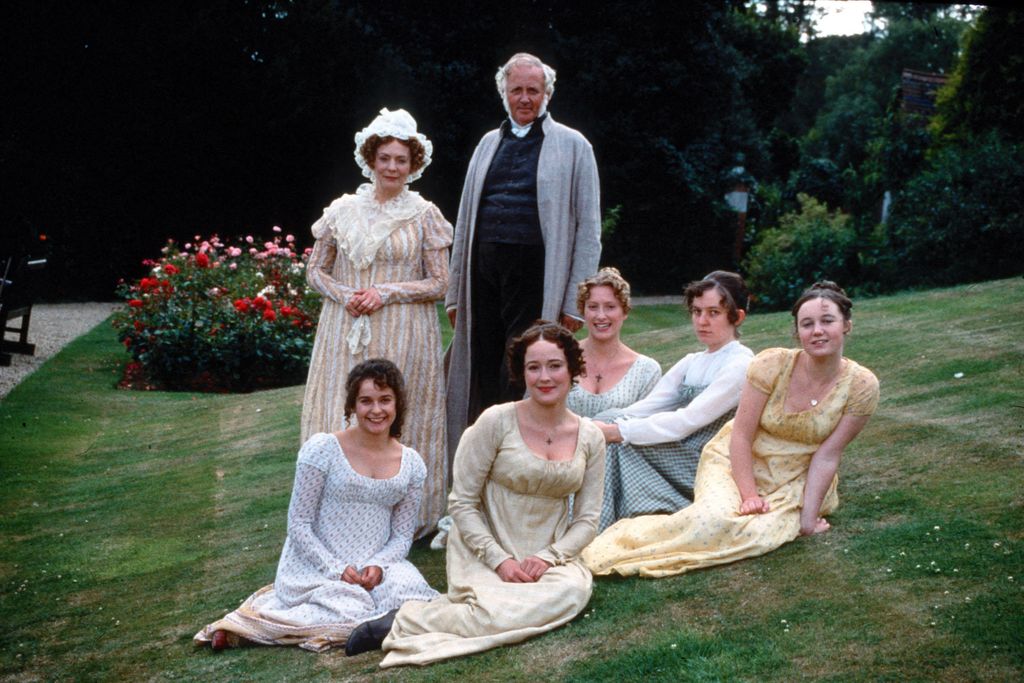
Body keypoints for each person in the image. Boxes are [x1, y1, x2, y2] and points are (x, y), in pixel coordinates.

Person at [345, 322, 605, 666]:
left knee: (571, 593)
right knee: (496, 608)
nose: (545, 376)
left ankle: (422, 619)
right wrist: (501, 560)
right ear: (521, 373)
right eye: (533, 367)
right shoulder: (495, 422)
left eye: (554, 365)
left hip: (548, 555)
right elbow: (462, 503)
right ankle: (403, 621)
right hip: (485, 548)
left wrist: (549, 557)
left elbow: (587, 520)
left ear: (572, 368)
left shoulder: (590, 437)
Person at [582, 281, 879, 578]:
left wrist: (808, 520)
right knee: (617, 431)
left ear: (847, 325)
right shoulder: (755, 363)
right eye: (807, 324)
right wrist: (608, 423)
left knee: (750, 531)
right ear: (797, 331)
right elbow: (735, 432)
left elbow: (828, 455)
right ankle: (595, 526)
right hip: (733, 460)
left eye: (827, 321)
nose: (817, 331)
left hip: (781, 474)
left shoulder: (859, 385)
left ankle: (604, 530)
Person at [195, 360, 439, 652]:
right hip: (318, 564)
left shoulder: (411, 463)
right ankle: (247, 627)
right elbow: (298, 523)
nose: (376, 410)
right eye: (366, 401)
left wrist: (380, 565)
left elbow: (401, 535)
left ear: (397, 404)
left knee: (412, 592)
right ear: (352, 406)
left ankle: (381, 624)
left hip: (377, 565)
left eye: (385, 400)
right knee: (348, 605)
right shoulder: (322, 449)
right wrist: (336, 569)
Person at [445, 52, 602, 472]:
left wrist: (573, 303)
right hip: (484, 273)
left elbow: (589, 230)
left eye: (534, 90)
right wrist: (454, 292)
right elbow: (463, 223)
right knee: (479, 366)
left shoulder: (574, 145)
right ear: (504, 93)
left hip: (537, 274)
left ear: (547, 93)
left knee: (522, 366)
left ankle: (517, 464)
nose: (525, 98)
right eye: (517, 89)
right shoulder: (486, 144)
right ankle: (478, 467)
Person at [300, 108, 452, 537]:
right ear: (371, 159)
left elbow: (441, 282)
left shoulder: (424, 215)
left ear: (414, 165)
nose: (392, 167)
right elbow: (315, 271)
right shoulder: (343, 210)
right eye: (384, 157)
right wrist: (345, 294)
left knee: (399, 409)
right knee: (343, 406)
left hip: (404, 332)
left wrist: (386, 291)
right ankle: (333, 511)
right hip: (345, 331)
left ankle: (405, 516)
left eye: (401, 160)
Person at [590, 271, 754, 530]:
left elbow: (686, 422)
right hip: (679, 446)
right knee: (613, 422)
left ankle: (612, 521)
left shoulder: (740, 364)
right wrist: (597, 423)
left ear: (737, 317)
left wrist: (617, 432)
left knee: (623, 443)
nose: (702, 321)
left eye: (713, 313)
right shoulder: (693, 361)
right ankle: (587, 518)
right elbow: (647, 407)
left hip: (703, 459)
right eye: (697, 311)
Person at [566, 267, 661, 419]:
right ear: (583, 311)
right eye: (593, 307)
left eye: (610, 307)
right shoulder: (562, 357)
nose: (601, 316)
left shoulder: (646, 371)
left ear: (625, 312)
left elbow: (648, 429)